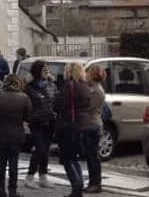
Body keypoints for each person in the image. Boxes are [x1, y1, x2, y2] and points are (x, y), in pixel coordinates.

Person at [0, 74, 32, 197]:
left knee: (2, 162)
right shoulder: (24, 97)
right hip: (17, 133)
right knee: (13, 162)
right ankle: (13, 190)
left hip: (1, 133)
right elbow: (28, 117)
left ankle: (1, 190)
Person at [53, 62, 91, 197]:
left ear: (69, 72)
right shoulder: (85, 86)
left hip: (68, 125)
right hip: (83, 125)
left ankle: (76, 186)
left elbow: (57, 105)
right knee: (74, 158)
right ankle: (78, 186)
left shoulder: (69, 86)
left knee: (67, 159)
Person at [23, 60, 57, 190]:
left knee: (46, 150)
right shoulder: (30, 87)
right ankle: (29, 177)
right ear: (37, 71)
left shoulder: (51, 85)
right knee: (40, 149)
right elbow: (26, 105)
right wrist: (27, 120)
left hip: (50, 122)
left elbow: (55, 101)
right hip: (36, 122)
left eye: (47, 69)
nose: (47, 71)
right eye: (43, 69)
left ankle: (43, 176)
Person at [82, 65, 107, 194]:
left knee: (93, 156)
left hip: (93, 125)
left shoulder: (97, 91)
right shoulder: (93, 88)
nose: (86, 75)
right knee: (90, 155)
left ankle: (95, 183)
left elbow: (88, 107)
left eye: (88, 73)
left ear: (93, 75)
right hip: (90, 124)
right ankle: (93, 182)